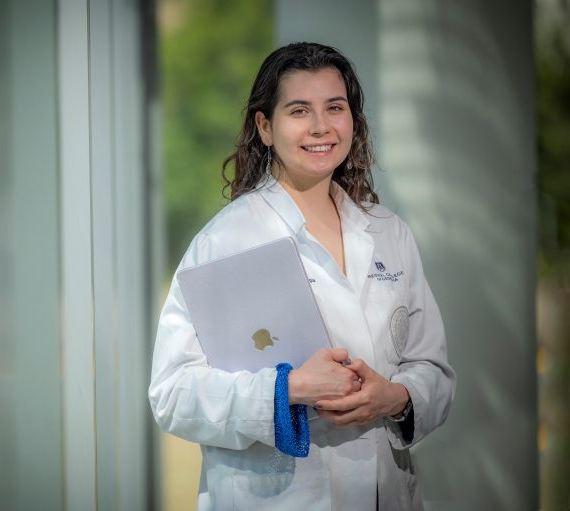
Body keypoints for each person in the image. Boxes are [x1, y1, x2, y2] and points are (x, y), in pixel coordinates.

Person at [148, 42, 455, 510]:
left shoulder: (389, 233)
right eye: (298, 110)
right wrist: (285, 389)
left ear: (353, 120)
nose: (320, 127)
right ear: (265, 127)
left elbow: (433, 370)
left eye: (335, 107)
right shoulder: (225, 242)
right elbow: (172, 394)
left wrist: (395, 397)